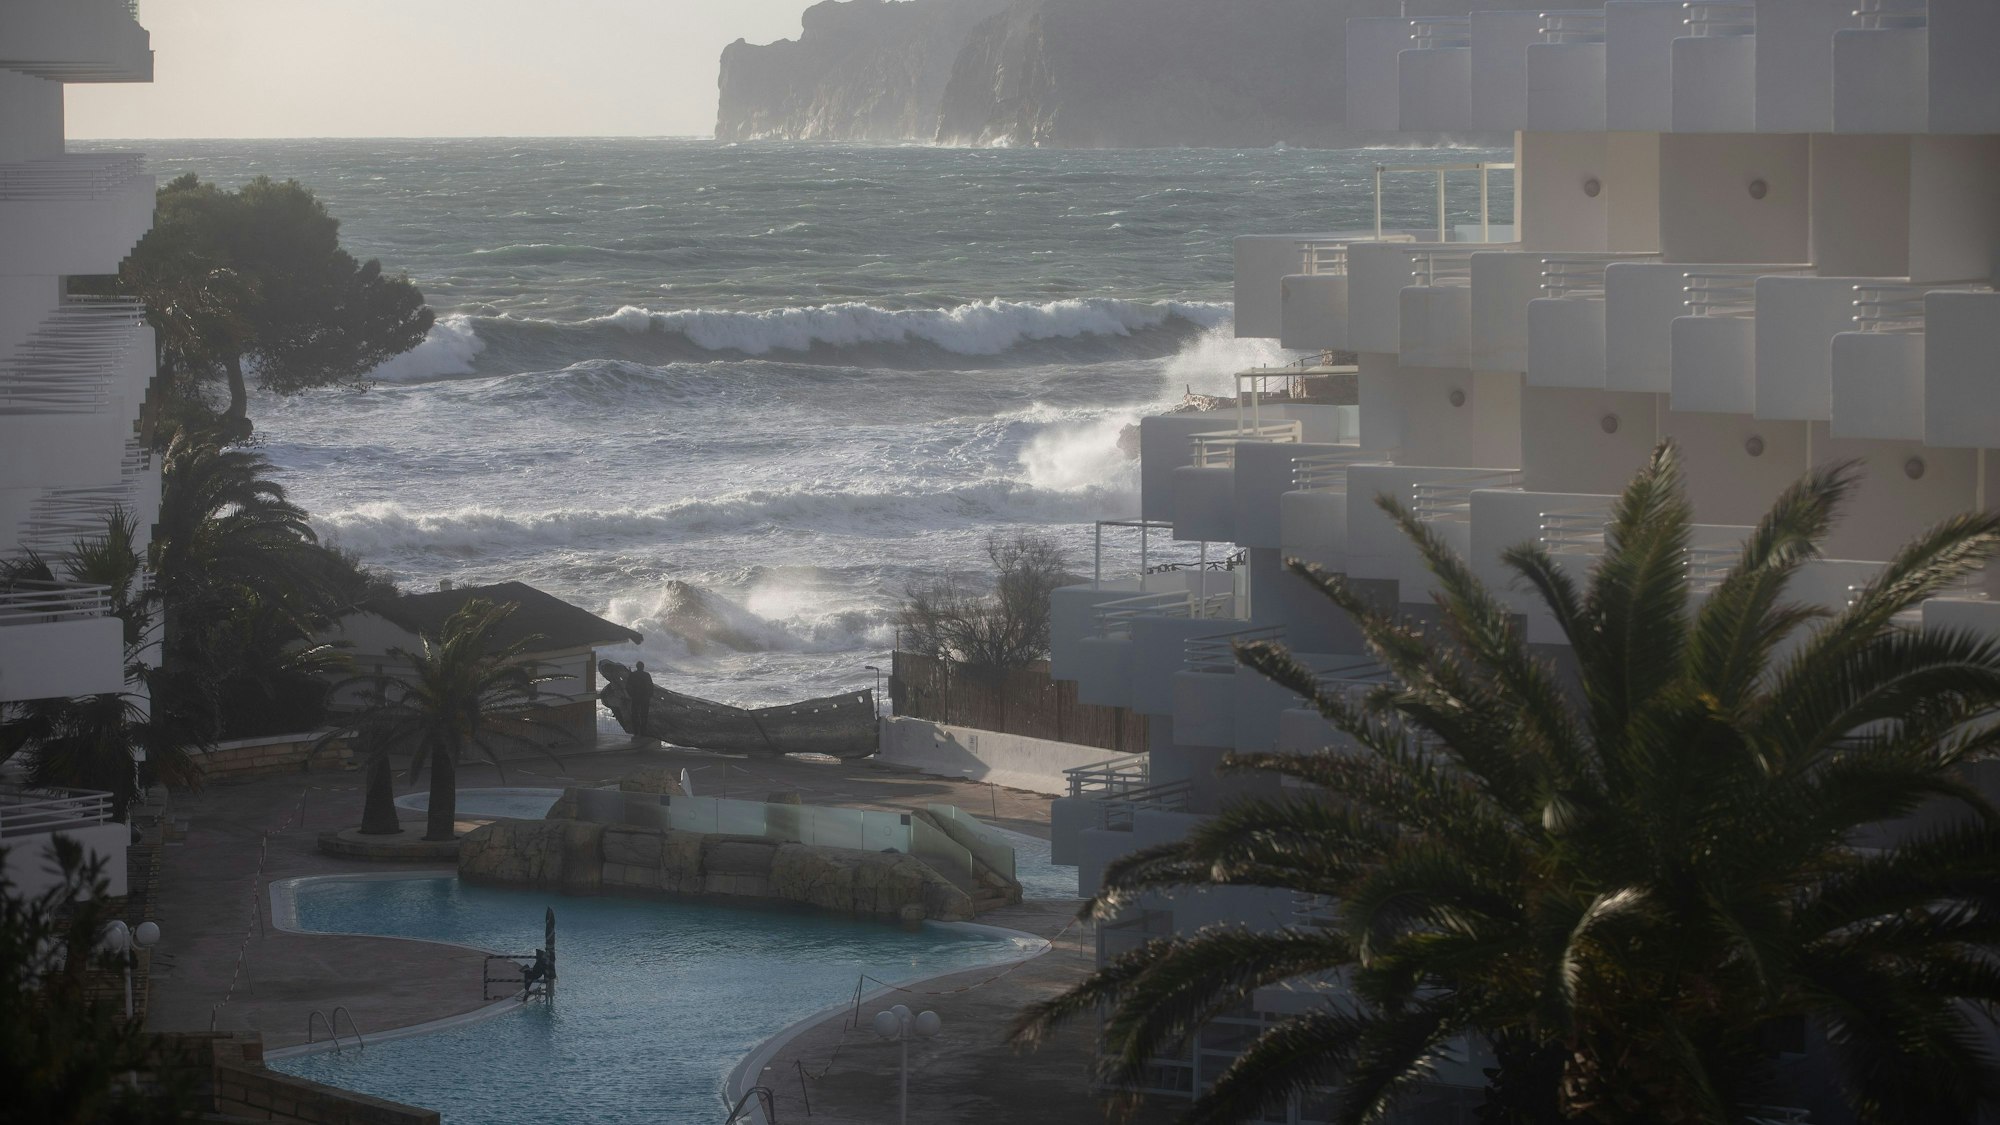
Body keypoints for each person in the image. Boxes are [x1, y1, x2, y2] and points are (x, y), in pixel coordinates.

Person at [627, 661, 654, 745]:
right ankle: (643, 732)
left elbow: (628, 686)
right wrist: (649, 696)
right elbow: (651, 686)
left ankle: (636, 732)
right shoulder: (646, 675)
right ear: (643, 667)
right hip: (645, 699)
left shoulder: (633, 675)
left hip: (636, 698)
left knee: (634, 715)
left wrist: (631, 695)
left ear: (637, 667)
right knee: (644, 715)